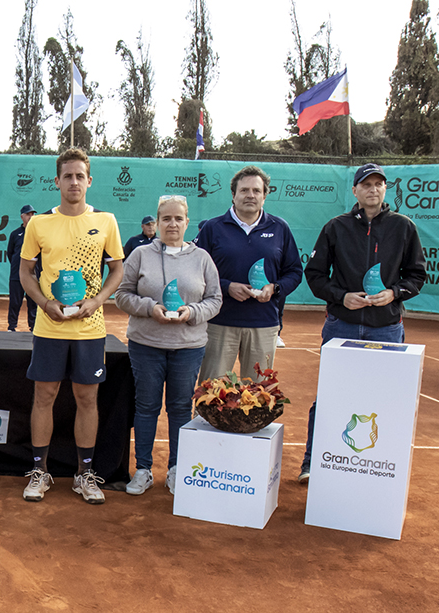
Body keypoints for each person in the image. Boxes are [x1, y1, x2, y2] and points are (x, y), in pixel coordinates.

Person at [299, 163, 426, 483]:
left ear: (385, 190)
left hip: (386, 327)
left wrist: (394, 293)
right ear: (355, 191)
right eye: (366, 184)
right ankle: (312, 462)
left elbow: (417, 276)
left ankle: (376, 466)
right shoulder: (335, 227)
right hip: (341, 325)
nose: (373, 189)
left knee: (383, 398)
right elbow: (314, 276)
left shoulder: (404, 227)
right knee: (329, 396)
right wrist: (342, 297)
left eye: (378, 184)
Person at [18, 148, 124, 504]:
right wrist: (45, 304)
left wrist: (96, 302)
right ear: (57, 181)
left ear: (89, 181)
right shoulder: (39, 224)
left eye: (80, 176)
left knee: (86, 398)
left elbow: (117, 270)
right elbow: (25, 272)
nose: (74, 182)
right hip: (49, 328)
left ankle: (85, 473)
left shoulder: (106, 221)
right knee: (44, 396)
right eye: (68, 176)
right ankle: (38, 471)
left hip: (90, 329)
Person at [115, 195, 222, 496]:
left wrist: (193, 313)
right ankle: (144, 470)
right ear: (157, 222)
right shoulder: (139, 255)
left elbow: (215, 299)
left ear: (187, 222)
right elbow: (122, 295)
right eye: (166, 219)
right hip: (146, 344)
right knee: (146, 407)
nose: (172, 224)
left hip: (188, 346)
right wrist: (150, 308)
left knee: (179, 408)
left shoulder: (202, 258)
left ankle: (177, 469)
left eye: (178, 219)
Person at [194, 165, 303, 381]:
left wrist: (275, 288)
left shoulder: (280, 228)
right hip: (218, 322)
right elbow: (196, 273)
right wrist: (227, 287)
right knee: (210, 392)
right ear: (233, 195)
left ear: (265, 196)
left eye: (256, 191)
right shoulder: (213, 228)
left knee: (258, 395)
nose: (250, 195)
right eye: (244, 190)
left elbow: (294, 272)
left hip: (263, 324)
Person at [6, 204, 37, 332]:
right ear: (22, 217)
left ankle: (33, 327)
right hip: (16, 275)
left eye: (32, 214)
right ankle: (12, 327)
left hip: (33, 276)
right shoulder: (15, 234)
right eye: (28, 214)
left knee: (33, 303)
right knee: (15, 302)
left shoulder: (37, 234)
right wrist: (18, 268)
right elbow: (10, 253)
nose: (31, 216)